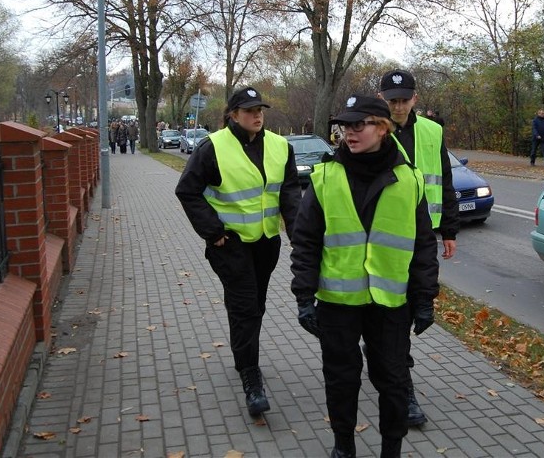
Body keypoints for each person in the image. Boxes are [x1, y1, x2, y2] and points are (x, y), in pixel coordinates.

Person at [290, 94, 439, 458]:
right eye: (344, 126)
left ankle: (392, 449)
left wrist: (424, 297)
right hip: (338, 303)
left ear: (382, 127)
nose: (348, 133)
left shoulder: (410, 180)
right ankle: (344, 445)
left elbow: (422, 245)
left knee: (392, 380)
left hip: (391, 303)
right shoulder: (325, 176)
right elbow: (305, 241)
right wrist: (304, 296)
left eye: (358, 125)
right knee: (341, 380)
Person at [175, 86, 301, 417]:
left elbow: (289, 193)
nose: (257, 115)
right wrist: (213, 232)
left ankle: (243, 355)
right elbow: (187, 190)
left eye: (260, 109)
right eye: (248, 110)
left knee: (253, 304)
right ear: (233, 114)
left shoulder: (280, 146)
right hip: (229, 244)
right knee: (246, 305)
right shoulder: (212, 148)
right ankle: (251, 377)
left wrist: (299, 235)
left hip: (266, 242)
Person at [377, 68, 459, 427]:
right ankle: (404, 387)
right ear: (383, 100)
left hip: (424, 235)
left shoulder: (432, 131)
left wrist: (450, 230)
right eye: (392, 100)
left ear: (415, 99)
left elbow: (446, 177)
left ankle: (389, 357)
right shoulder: (372, 128)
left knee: (413, 304)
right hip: (387, 233)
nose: (398, 106)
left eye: (403, 99)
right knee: (394, 309)